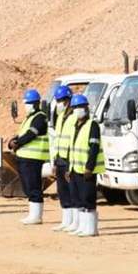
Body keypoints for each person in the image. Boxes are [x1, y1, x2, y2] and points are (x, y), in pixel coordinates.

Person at [10, 88, 49, 225]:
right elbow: (22, 134)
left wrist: (17, 143)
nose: (26, 106)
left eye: (28, 103)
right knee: (28, 187)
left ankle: (36, 216)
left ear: (35, 103)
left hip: (34, 158)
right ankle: (33, 214)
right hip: (25, 157)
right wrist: (12, 141)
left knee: (34, 187)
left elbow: (31, 134)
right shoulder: (29, 118)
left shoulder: (40, 117)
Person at [68, 94, 103, 237]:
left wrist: (89, 167)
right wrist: (70, 168)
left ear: (86, 108)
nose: (78, 110)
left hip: (87, 170)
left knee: (88, 198)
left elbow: (94, 148)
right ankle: (83, 226)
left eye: (80, 107)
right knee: (79, 199)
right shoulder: (75, 126)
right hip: (75, 168)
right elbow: (72, 148)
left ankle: (91, 228)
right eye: (75, 107)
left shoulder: (92, 125)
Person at [48, 86, 78, 233]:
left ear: (69, 100)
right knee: (62, 191)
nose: (60, 103)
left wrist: (71, 162)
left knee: (73, 191)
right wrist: (54, 161)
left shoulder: (75, 117)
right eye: (58, 100)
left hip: (69, 159)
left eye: (62, 100)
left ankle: (75, 222)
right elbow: (57, 139)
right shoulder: (60, 117)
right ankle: (66, 221)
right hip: (60, 158)